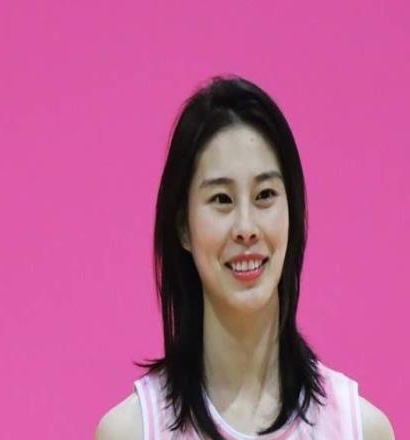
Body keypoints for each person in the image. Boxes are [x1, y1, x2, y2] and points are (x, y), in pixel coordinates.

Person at [95, 76, 394, 439]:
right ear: (184, 227)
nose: (246, 228)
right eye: (221, 199)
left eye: (265, 195)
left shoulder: (360, 429)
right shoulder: (133, 431)